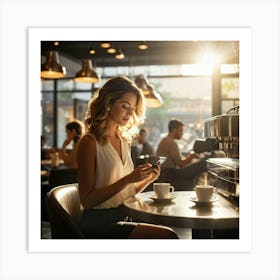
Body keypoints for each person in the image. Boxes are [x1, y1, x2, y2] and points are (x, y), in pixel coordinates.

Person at [77, 76, 178, 239]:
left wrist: (148, 179)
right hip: (99, 222)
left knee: (166, 230)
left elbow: (127, 192)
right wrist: (128, 179)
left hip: (124, 213)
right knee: (167, 236)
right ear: (108, 104)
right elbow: (87, 201)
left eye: (133, 108)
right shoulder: (89, 142)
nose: (130, 113)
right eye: (125, 106)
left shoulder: (124, 140)